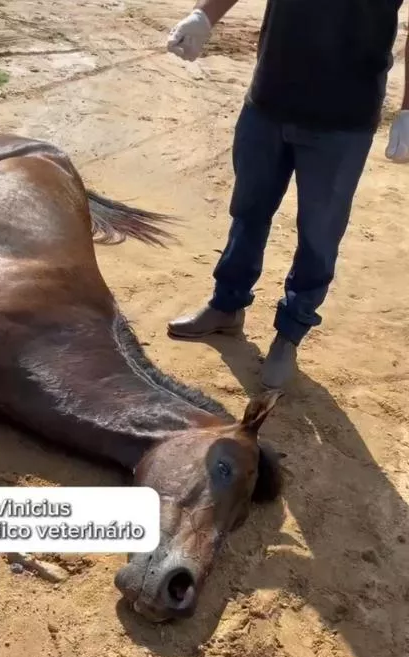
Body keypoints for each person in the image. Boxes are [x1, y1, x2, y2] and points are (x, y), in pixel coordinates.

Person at [164, 0, 409, 389]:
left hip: (343, 120)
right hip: (269, 100)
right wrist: (204, 15)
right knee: (248, 211)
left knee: (318, 234)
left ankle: (290, 334)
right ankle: (227, 305)